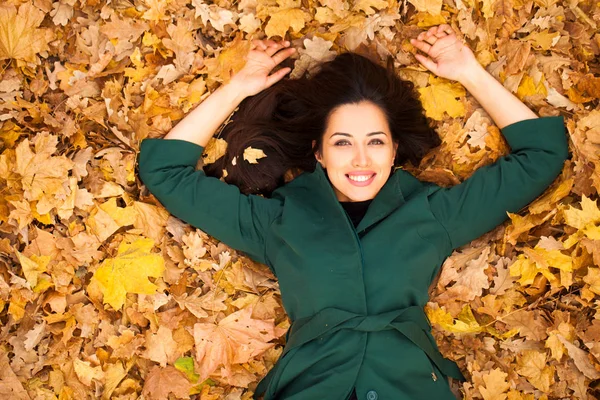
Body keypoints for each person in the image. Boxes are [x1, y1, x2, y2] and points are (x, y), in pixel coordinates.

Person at [138, 24, 569, 400]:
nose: (360, 159)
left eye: (376, 141)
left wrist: (469, 72)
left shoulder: (432, 212)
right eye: (342, 142)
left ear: (394, 149)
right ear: (319, 153)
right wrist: (239, 87)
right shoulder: (278, 221)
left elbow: (541, 155)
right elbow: (164, 172)